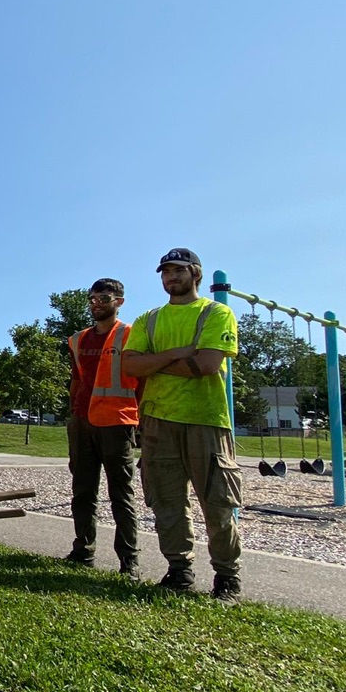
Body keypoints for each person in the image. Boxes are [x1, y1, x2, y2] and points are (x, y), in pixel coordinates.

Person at [122, 248, 244, 605]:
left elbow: (206, 364)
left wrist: (154, 362)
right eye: (165, 272)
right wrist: (179, 354)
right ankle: (179, 571)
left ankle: (227, 578)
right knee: (167, 503)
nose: (170, 277)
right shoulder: (150, 318)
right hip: (158, 420)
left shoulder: (216, 313)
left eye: (177, 271)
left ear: (195, 273)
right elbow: (130, 367)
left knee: (218, 504)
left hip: (205, 420)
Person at [63, 279, 141, 578]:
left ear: (119, 301)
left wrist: (141, 422)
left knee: (121, 494)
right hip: (82, 422)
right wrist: (73, 412)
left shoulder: (131, 335)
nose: (96, 303)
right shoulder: (78, 339)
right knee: (82, 491)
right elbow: (76, 379)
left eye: (104, 297)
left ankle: (129, 561)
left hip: (117, 423)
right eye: (92, 298)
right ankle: (83, 549)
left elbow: (141, 381)